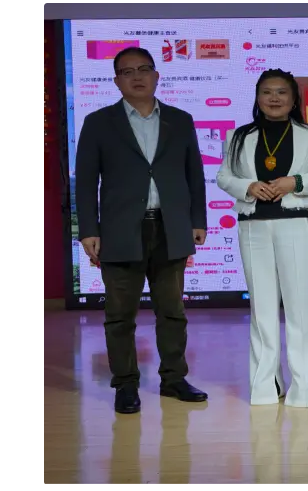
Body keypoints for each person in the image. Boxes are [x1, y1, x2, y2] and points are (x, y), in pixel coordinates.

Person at [75, 47, 210, 414]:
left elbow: (194, 174)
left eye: (144, 69)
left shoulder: (180, 120)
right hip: (119, 230)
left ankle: (174, 379)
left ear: (156, 75)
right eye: (127, 71)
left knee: (172, 311)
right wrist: (88, 229)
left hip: (171, 228)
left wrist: (198, 220)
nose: (136, 76)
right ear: (116, 81)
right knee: (120, 315)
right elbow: (85, 182)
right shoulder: (99, 122)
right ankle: (125, 384)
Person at [217, 69, 308, 408]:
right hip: (253, 225)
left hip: (296, 223)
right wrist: (248, 186)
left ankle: (302, 387)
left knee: (300, 307)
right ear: (257, 97)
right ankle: (265, 385)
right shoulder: (239, 136)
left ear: (294, 98)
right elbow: (224, 176)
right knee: (262, 308)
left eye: (281, 92)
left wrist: (294, 183)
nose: (274, 98)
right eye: (267, 91)